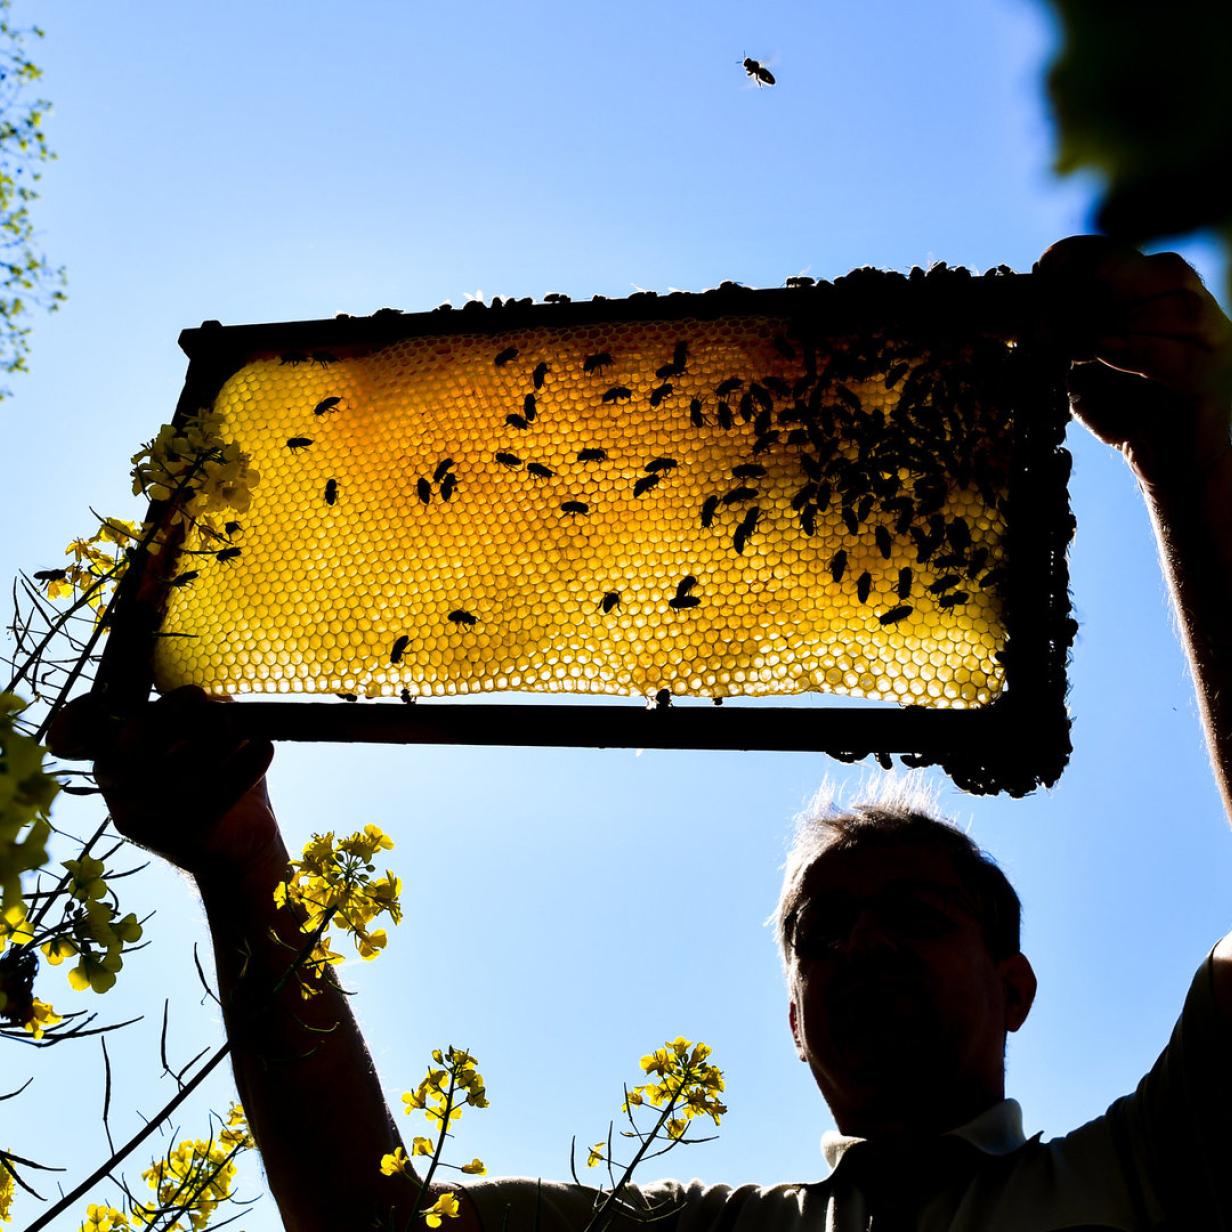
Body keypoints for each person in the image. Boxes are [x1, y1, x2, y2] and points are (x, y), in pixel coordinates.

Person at [51, 236, 1232, 1231]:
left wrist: (1189, 457)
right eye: (824, 928)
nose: (863, 944)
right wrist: (239, 855)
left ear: (1014, 980)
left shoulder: (1150, 1172)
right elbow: (371, 1226)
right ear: (790, 1011)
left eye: (916, 913)